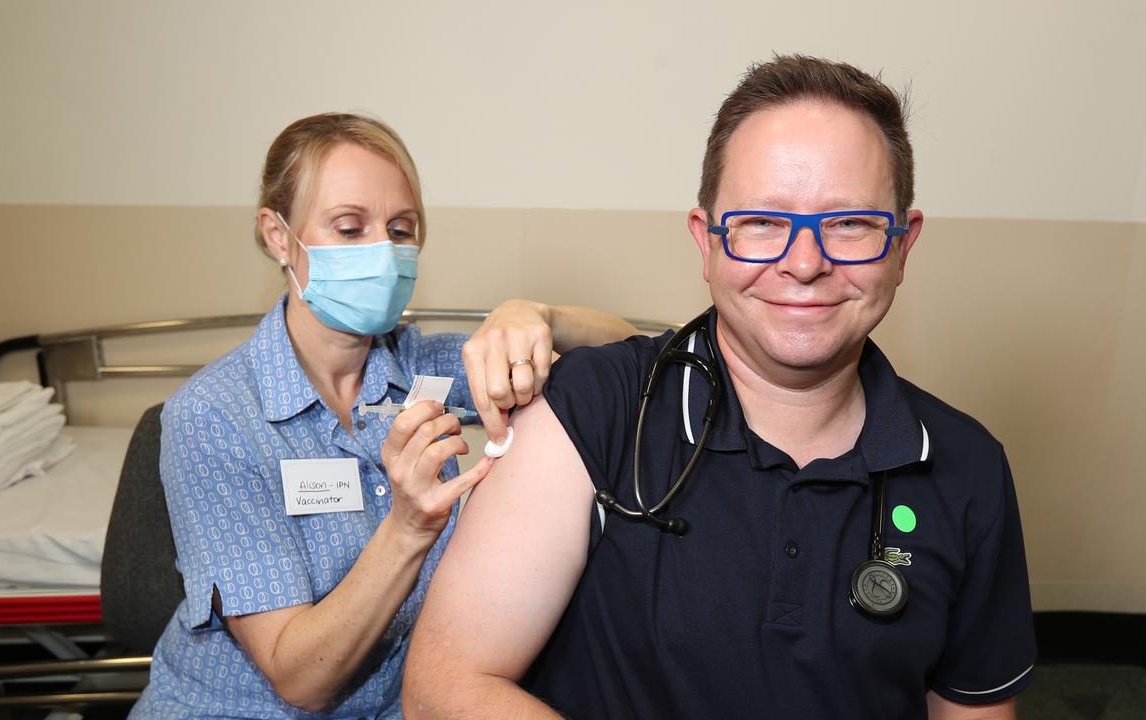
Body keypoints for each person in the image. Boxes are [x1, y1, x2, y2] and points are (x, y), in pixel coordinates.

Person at [404, 56, 1036, 719]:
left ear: (902, 248)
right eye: (763, 222)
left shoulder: (967, 468)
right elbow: (445, 688)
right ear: (706, 244)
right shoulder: (593, 411)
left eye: (850, 223)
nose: (804, 264)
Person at [130, 112, 636, 719]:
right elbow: (300, 679)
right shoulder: (214, 417)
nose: (383, 252)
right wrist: (408, 527)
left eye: (401, 229)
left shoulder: (425, 369)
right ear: (278, 235)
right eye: (349, 228)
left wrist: (535, 313)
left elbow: (626, 357)